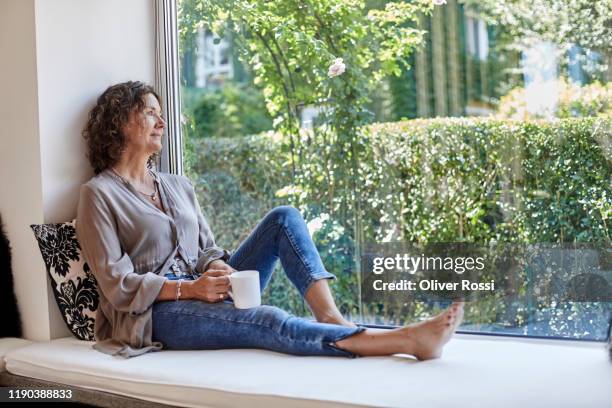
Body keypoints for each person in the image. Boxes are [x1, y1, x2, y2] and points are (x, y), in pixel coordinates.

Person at [76, 81, 463, 360]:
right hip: (157, 315)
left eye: (162, 116)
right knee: (269, 320)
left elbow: (207, 249)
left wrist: (217, 267)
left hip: (204, 289)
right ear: (120, 123)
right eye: (150, 114)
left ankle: (330, 317)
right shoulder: (99, 194)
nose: (162, 123)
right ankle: (403, 341)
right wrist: (190, 290)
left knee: (284, 218)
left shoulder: (178, 185)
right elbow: (116, 285)